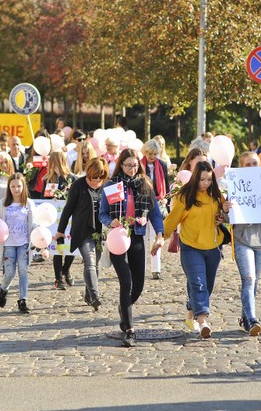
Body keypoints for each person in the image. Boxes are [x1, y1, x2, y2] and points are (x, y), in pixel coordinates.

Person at [100, 148, 165, 347]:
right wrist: (111, 222)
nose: (131, 169)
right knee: (126, 282)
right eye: (128, 165)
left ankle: (124, 309)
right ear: (121, 165)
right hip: (118, 238)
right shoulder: (112, 185)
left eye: (135, 165)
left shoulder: (145, 184)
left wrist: (160, 235)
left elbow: (154, 213)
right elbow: (102, 213)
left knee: (138, 285)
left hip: (137, 236)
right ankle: (129, 329)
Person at [163, 160, 227, 339]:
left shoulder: (216, 195)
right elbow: (171, 220)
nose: (206, 183)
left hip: (213, 247)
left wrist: (225, 213)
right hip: (191, 247)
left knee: (207, 285)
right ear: (194, 179)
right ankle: (202, 321)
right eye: (202, 179)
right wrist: (161, 238)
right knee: (198, 283)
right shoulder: (184, 196)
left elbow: (226, 214)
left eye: (209, 179)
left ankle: (192, 313)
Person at [55, 158, 109, 311]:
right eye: (93, 177)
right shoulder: (78, 186)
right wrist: (60, 230)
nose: (96, 180)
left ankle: (88, 295)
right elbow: (68, 209)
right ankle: (95, 295)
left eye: (100, 176)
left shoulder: (107, 186)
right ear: (88, 173)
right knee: (90, 261)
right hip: (82, 230)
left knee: (97, 265)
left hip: (101, 231)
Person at [231, 151, 261, 336]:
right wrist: (226, 209)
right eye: (247, 164)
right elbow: (225, 215)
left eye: (254, 163)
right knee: (248, 279)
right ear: (241, 166)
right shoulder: (235, 185)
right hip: (243, 238)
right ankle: (252, 320)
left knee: (254, 282)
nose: (251, 167)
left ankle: (245, 317)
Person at [0, 173, 37, 313]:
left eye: (19, 186)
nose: (16, 189)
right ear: (9, 187)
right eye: (13, 186)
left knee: (23, 270)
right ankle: (3, 289)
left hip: (23, 242)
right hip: (9, 243)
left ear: (23, 186)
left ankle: (23, 300)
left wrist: (38, 234)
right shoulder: (3, 204)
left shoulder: (28, 203)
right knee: (10, 272)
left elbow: (33, 222)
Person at [37, 151, 76, 289]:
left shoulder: (72, 178)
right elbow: (43, 198)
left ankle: (66, 270)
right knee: (58, 248)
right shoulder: (48, 179)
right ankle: (58, 278)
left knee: (71, 247)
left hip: (70, 218)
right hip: (55, 218)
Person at [141, 140, 170, 280]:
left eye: (154, 154)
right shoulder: (139, 165)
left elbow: (167, 184)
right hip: (142, 203)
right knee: (141, 236)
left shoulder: (162, 165)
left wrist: (167, 199)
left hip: (158, 201)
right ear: (145, 152)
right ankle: (140, 267)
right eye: (149, 153)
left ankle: (156, 269)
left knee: (157, 236)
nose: (152, 156)